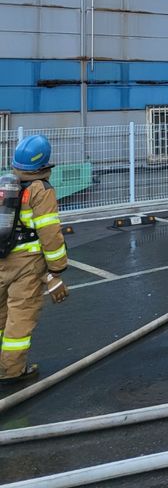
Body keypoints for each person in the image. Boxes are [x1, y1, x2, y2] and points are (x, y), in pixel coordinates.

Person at [0, 135, 68, 383]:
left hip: (1, 258)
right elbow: (49, 233)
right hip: (27, 263)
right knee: (20, 317)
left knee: (0, 315)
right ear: (44, 162)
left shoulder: (5, 183)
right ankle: (10, 371)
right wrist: (57, 271)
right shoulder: (40, 190)